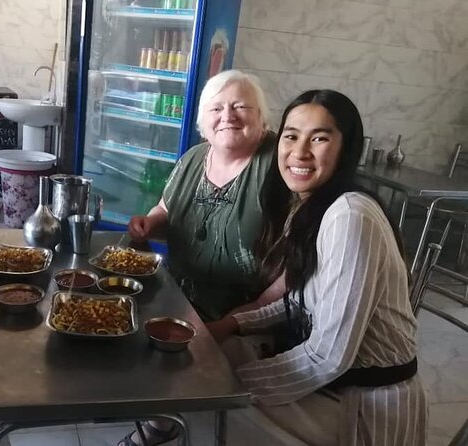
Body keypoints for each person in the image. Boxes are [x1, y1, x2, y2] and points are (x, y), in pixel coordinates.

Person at [207, 89, 427, 445]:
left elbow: (328, 357)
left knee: (210, 408)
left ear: (346, 149)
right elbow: (304, 298)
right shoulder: (315, 208)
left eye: (320, 138)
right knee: (224, 352)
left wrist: (234, 387)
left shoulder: (351, 216)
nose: (300, 151)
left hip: (367, 409)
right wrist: (230, 324)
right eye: (291, 136)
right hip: (340, 390)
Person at [128, 69, 276, 324]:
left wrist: (234, 323)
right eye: (216, 109)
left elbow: (297, 260)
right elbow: (166, 209)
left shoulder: (278, 164)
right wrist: (150, 223)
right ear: (202, 122)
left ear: (261, 117)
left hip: (243, 317)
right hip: (175, 299)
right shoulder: (194, 157)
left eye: (240, 106)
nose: (227, 116)